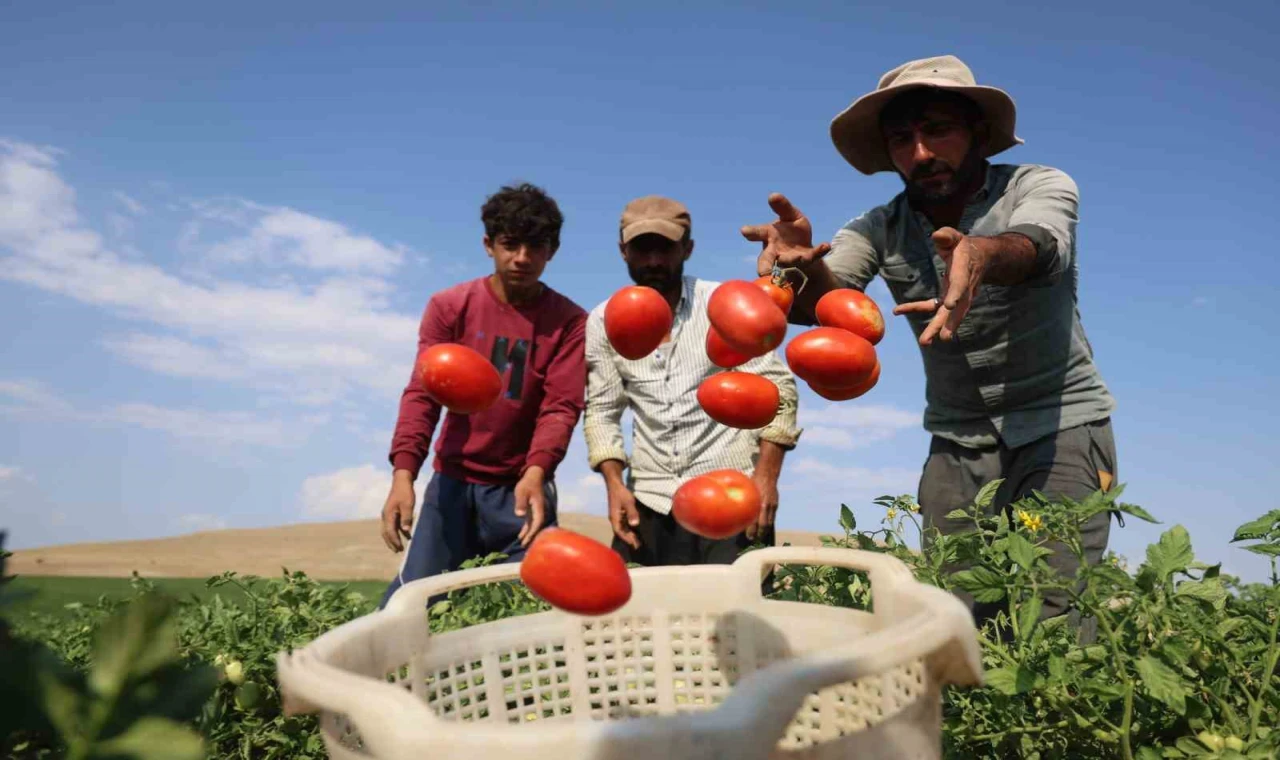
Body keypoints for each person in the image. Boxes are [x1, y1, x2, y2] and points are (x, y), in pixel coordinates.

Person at [743, 55, 1118, 633]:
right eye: (902, 139)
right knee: (954, 613)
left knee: (1060, 610)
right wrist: (792, 271)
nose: (921, 153)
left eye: (938, 130)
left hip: (1061, 422)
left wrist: (981, 255)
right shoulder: (878, 226)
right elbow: (824, 302)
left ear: (980, 134)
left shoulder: (1037, 184)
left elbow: (1041, 244)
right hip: (957, 437)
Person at [378, 182, 587, 608]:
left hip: (522, 487)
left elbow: (561, 405)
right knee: (413, 607)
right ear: (488, 244)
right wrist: (404, 475)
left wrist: (536, 471)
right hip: (452, 483)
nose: (522, 259)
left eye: (536, 247)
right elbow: (422, 393)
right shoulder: (450, 307)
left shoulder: (569, 322)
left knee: (530, 610)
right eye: (510, 245)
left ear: (554, 250)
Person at [584, 195, 802, 567]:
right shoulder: (604, 320)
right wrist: (614, 484)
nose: (653, 261)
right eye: (642, 248)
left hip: (730, 496)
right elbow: (602, 410)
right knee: (638, 617)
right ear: (623, 251)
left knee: (734, 617)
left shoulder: (723, 302)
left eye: (665, 248)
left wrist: (766, 479)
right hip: (649, 500)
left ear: (687, 248)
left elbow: (776, 391)